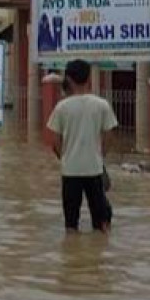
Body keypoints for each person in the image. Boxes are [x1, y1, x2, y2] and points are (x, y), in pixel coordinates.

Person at [47, 59, 117, 233]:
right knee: (101, 224)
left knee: (71, 225)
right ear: (89, 79)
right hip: (94, 169)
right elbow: (109, 135)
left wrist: (65, 157)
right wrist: (100, 155)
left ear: (68, 80)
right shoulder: (102, 105)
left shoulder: (61, 108)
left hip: (70, 171)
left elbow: (55, 142)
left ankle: (71, 256)